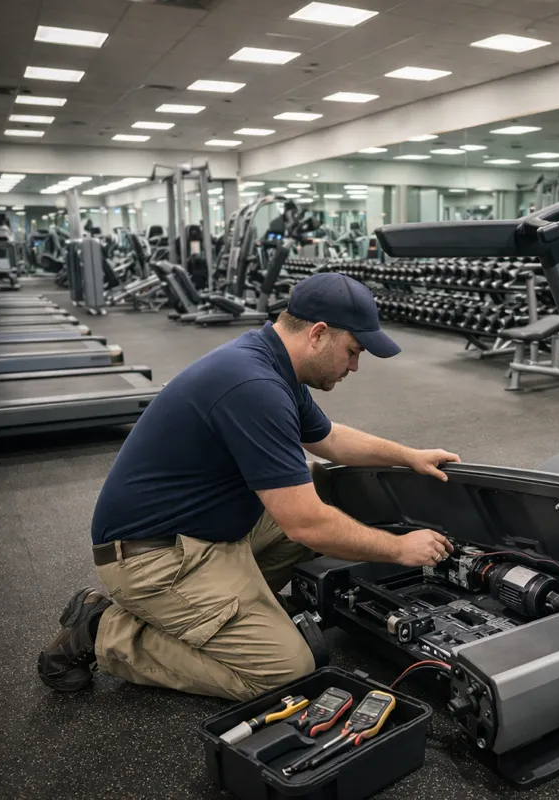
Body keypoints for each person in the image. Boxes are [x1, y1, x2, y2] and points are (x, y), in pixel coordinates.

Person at [38, 272, 459, 700]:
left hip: (203, 530)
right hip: (153, 560)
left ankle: (221, 614)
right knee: (287, 669)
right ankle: (103, 631)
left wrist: (408, 455)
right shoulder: (254, 386)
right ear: (318, 334)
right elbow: (306, 526)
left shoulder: (272, 362)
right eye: (353, 351)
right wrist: (398, 549)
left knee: (321, 488)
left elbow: (329, 438)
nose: (353, 366)